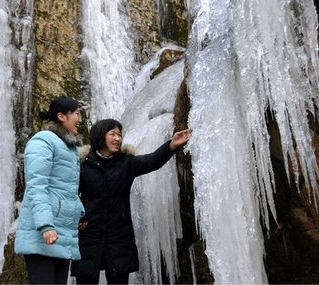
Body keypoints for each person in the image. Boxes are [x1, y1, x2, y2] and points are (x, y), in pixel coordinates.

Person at [71, 119, 190, 284]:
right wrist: (77, 218)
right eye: (112, 134)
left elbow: (152, 160)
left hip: (119, 237)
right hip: (89, 236)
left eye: (119, 134)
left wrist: (171, 145)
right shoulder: (83, 166)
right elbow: (70, 195)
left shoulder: (126, 163)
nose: (118, 138)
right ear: (99, 137)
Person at [14, 96, 85, 284]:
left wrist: (79, 213)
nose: (80, 118)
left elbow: (65, 191)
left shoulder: (68, 148)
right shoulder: (43, 140)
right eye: (77, 113)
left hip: (61, 234)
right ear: (61, 116)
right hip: (45, 234)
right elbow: (37, 186)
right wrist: (46, 225)